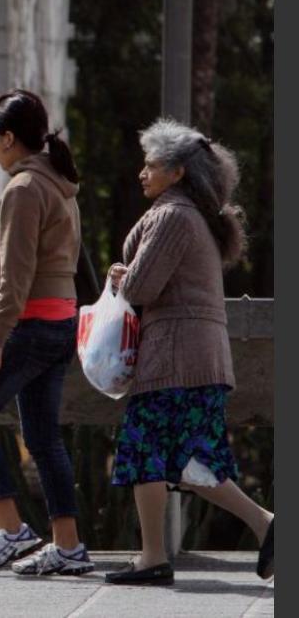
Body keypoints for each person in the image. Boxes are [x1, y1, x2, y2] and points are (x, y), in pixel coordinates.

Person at [104, 118, 273, 585]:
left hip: (175, 358)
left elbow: (141, 286)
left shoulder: (172, 215)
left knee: (145, 452)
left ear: (177, 172)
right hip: (198, 357)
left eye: (151, 164)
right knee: (190, 461)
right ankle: (264, 525)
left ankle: (154, 558)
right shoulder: (189, 215)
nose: (142, 172)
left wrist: (122, 277)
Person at [0, 89, 95, 576]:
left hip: (29, 326)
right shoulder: (59, 184)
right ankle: (68, 546)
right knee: (43, 437)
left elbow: (15, 275)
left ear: (10, 138)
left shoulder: (23, 189)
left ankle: (11, 531)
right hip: (61, 324)